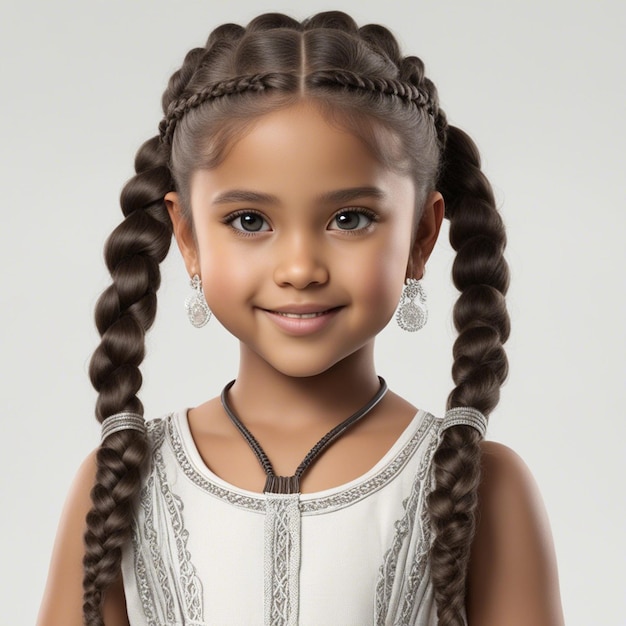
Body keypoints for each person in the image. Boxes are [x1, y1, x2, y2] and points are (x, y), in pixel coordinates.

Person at [37, 11, 563, 626]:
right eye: (250, 221)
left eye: (350, 219)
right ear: (187, 237)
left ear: (423, 234)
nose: (300, 267)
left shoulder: (485, 487)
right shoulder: (120, 485)